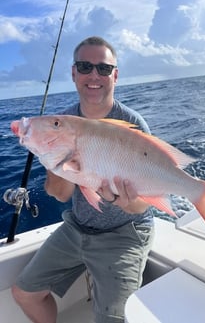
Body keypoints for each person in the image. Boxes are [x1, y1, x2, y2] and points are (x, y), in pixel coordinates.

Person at [12, 36, 154, 323]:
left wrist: (123, 201)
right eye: (85, 66)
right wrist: (59, 161)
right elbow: (60, 194)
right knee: (24, 292)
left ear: (115, 74)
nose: (94, 75)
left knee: (116, 318)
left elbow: (141, 207)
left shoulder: (133, 124)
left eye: (103, 68)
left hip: (124, 233)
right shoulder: (63, 121)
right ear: (74, 73)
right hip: (77, 225)